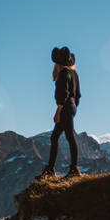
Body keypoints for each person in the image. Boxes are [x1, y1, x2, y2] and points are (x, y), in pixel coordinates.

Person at [38, 46, 81, 179]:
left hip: (65, 107)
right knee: (56, 137)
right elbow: (77, 94)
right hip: (72, 106)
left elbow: (62, 94)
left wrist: (58, 112)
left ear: (57, 63)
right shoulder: (74, 74)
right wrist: (73, 107)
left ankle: (73, 169)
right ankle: (51, 168)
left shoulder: (63, 74)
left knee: (69, 137)